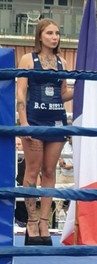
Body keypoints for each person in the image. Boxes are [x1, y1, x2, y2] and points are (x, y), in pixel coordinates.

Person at [16, 18, 73, 246]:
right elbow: (21, 93)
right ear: (40, 36)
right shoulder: (28, 59)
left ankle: (43, 221)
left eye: (57, 33)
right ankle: (30, 220)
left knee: (50, 171)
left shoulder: (63, 62)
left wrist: (84, 90)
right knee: (32, 171)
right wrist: (24, 123)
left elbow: (63, 93)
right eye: (50, 33)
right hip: (34, 120)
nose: (54, 37)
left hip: (56, 121)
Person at [55, 135, 73, 216]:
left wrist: (72, 166)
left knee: (74, 199)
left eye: (70, 137)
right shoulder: (65, 145)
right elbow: (60, 155)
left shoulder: (81, 146)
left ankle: (71, 215)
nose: (68, 139)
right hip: (63, 174)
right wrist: (61, 161)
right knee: (58, 197)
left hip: (74, 176)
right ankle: (59, 215)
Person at [14, 136, 28, 226]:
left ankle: (23, 222)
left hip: (24, 189)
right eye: (14, 144)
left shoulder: (28, 160)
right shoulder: (5, 159)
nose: (16, 146)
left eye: (19, 144)